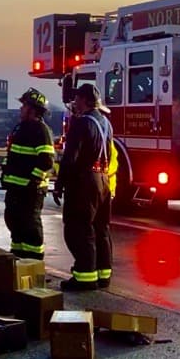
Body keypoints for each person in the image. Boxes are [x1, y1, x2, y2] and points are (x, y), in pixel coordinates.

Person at [54, 83, 116, 291]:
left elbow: (70, 158)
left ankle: (85, 277)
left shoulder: (80, 124)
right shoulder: (106, 123)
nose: (75, 102)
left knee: (78, 229)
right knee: (101, 228)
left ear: (85, 100)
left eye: (78, 98)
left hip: (84, 181)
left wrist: (59, 184)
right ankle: (103, 274)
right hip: (103, 180)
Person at [1, 87, 57, 260]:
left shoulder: (41, 130)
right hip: (15, 189)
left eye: (24, 106)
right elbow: (12, 156)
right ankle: (18, 258)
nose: (20, 109)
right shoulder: (20, 128)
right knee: (14, 223)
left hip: (30, 191)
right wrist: (5, 174)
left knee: (30, 227)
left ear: (33, 109)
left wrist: (32, 181)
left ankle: (34, 264)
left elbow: (47, 161)